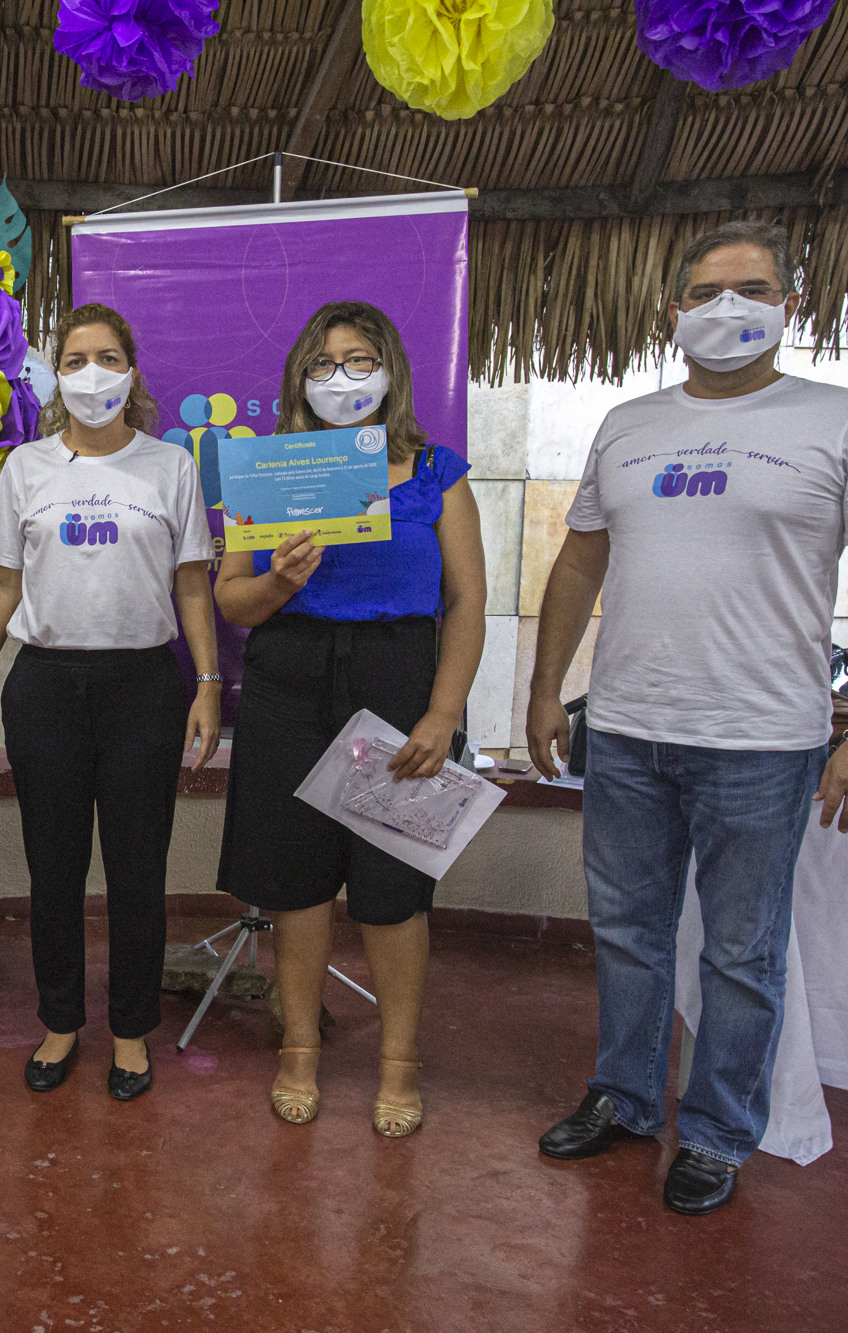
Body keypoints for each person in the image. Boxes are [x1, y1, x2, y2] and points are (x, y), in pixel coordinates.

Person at [529, 221, 848, 1215]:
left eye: (748, 289)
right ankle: (624, 1098)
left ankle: (714, 1131)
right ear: (671, 310)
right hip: (625, 727)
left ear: (786, 305)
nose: (725, 309)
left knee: (740, 951)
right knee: (626, 929)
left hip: (764, 741)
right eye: (703, 291)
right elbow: (580, 558)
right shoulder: (626, 423)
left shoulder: (843, 423)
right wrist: (542, 688)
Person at [213, 301, 486, 1134]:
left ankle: (399, 1062)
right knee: (296, 887)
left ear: (392, 370)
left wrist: (442, 712)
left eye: (359, 359)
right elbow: (233, 597)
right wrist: (280, 584)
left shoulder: (437, 470)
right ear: (299, 377)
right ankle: (300, 1045)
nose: (342, 377)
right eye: (323, 363)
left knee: (391, 892)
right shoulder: (269, 470)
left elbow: (468, 601)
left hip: (398, 686)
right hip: (289, 681)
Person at [0, 302, 221, 1102]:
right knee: (54, 868)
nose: (92, 373)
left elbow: (190, 582)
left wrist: (208, 683)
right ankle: (61, 1021)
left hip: (143, 684)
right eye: (74, 360)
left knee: (138, 870)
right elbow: (4, 577)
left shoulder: (170, 467)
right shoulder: (26, 468)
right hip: (44, 684)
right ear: (54, 375)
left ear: (133, 371)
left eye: (108, 357)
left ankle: (132, 1031)